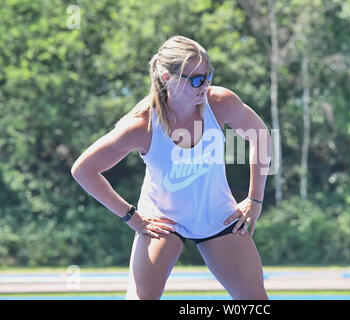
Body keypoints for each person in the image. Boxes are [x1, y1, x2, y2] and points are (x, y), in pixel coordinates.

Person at [71, 35, 271, 300]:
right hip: (164, 221)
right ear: (167, 77)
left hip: (217, 216)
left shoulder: (220, 103)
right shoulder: (142, 126)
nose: (205, 84)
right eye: (196, 79)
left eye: (208, 75)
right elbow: (83, 170)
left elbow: (261, 135)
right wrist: (132, 217)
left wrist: (255, 200)